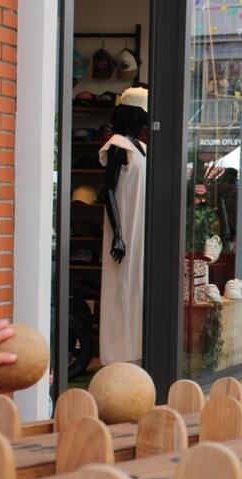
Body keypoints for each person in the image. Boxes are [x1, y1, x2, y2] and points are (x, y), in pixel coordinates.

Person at [99, 86, 148, 365]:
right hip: (126, 227)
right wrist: (118, 233)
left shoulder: (141, 147)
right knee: (121, 287)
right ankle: (118, 357)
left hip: (139, 226)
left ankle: (136, 353)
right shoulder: (119, 145)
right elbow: (107, 191)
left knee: (135, 288)